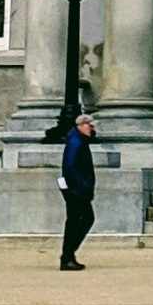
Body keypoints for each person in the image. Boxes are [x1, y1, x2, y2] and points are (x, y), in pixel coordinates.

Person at [58, 110, 98, 268]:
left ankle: (68, 255)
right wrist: (83, 185)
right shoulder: (76, 142)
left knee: (75, 221)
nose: (92, 129)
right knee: (85, 219)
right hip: (77, 190)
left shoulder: (78, 140)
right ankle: (67, 255)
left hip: (76, 188)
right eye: (90, 126)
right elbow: (70, 166)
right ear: (82, 125)